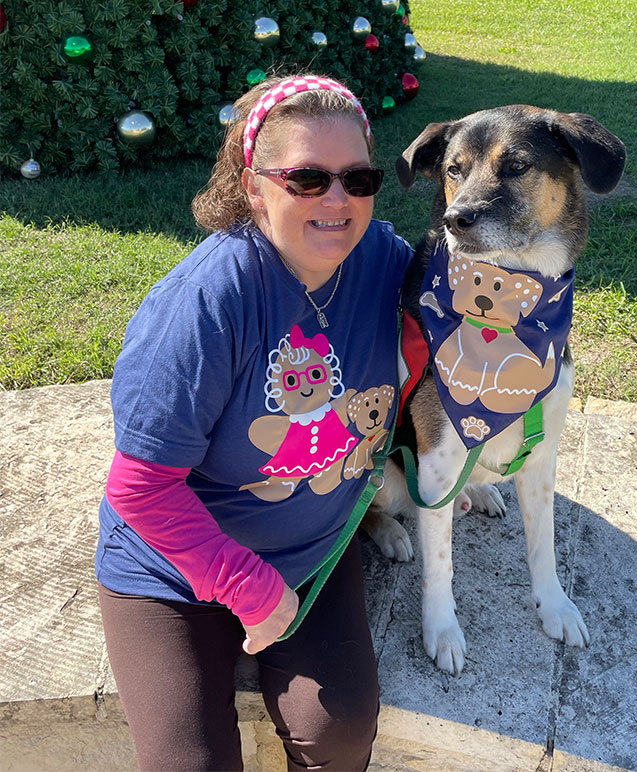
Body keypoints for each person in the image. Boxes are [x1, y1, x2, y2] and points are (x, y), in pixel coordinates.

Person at [95, 74, 414, 772]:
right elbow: (140, 489)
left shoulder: (384, 261)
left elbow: (481, 310)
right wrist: (245, 584)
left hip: (312, 553)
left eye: (358, 177)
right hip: (171, 568)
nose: (338, 199)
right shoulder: (205, 304)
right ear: (252, 183)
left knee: (338, 732)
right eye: (306, 178)